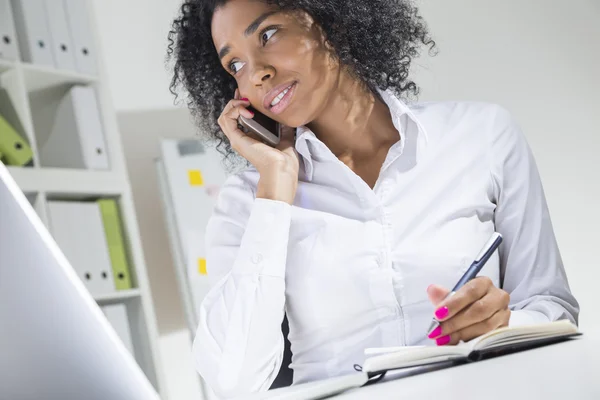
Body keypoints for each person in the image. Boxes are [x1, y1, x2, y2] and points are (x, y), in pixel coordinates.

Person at [166, 0, 579, 397]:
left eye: (268, 34)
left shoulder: (482, 135)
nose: (255, 73)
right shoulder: (248, 203)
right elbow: (234, 380)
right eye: (234, 64)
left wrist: (503, 323)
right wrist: (275, 185)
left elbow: (553, 306)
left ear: (329, 20)